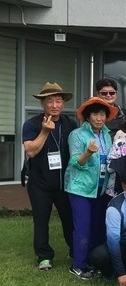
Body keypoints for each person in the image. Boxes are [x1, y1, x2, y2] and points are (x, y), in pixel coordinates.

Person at [22, 82, 78, 270]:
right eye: (50, 101)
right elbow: (30, 151)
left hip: (64, 183)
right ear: (42, 104)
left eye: (58, 101)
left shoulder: (70, 124)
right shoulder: (32, 124)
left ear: (63, 103)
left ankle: (74, 250)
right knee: (41, 219)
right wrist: (45, 131)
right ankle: (44, 256)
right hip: (40, 184)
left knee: (69, 218)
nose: (54, 105)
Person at [65, 96, 118, 280]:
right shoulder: (77, 135)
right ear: (87, 117)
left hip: (100, 188)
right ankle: (78, 265)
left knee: (96, 226)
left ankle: (92, 263)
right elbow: (74, 163)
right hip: (80, 188)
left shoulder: (106, 135)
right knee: (83, 226)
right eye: (95, 114)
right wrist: (88, 153)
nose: (99, 118)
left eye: (102, 114)